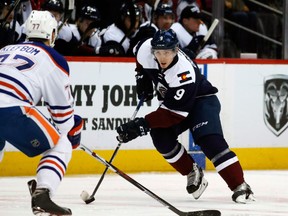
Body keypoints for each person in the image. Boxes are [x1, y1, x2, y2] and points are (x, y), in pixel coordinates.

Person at [116, 28, 255, 203]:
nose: (162, 57)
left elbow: (172, 115)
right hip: (175, 102)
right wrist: (141, 76)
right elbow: (139, 57)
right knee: (160, 136)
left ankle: (240, 186)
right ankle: (192, 171)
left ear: (175, 51)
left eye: (167, 52)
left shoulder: (183, 73)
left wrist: (141, 125)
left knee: (209, 141)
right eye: (158, 52)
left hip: (201, 101)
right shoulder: (145, 48)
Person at [0, 10, 83, 215]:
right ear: (52, 34)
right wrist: (73, 129)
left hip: (9, 104)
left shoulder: (3, 49)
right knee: (61, 142)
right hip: (10, 108)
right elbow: (63, 120)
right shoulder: (53, 57)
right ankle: (43, 194)